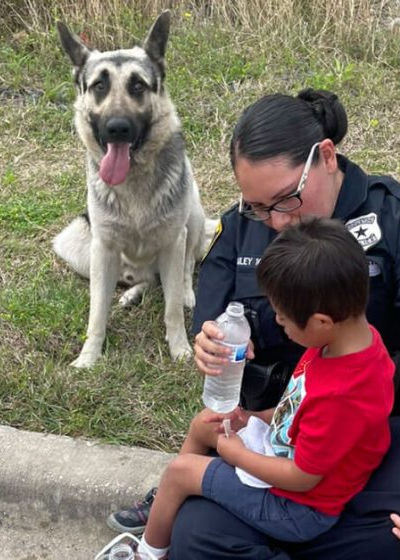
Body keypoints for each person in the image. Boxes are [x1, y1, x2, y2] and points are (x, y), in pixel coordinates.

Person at [109, 89, 400, 558]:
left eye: (286, 200)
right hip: (279, 423)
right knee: (196, 533)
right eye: (259, 206)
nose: (277, 221)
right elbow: (213, 303)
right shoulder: (246, 222)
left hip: (372, 430)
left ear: (325, 157)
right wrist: (209, 340)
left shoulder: (391, 217)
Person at [120, 218, 395, 560]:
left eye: (282, 319)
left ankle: (148, 553)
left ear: (321, 321)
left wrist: (235, 453)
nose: (279, 324)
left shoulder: (343, 394)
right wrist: (252, 417)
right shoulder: (343, 341)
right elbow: (298, 406)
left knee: (181, 472)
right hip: (286, 452)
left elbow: (301, 477)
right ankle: (169, 513)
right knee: (205, 423)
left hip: (299, 509)